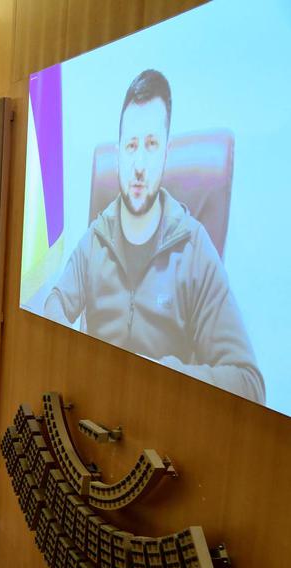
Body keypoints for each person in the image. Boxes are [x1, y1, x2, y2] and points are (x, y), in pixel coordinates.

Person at [42, 69, 264, 403]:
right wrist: (67, 341)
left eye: (151, 144)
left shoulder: (194, 248)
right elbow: (57, 301)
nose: (140, 164)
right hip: (94, 407)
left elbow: (249, 384)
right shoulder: (98, 235)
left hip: (160, 416)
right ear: (118, 156)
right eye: (131, 146)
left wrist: (158, 373)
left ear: (165, 153)